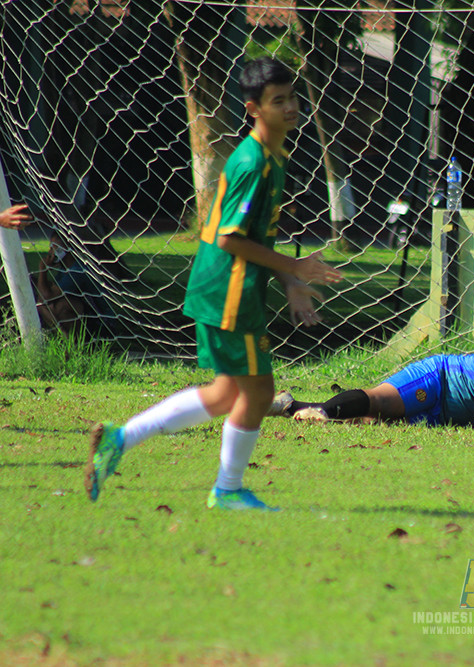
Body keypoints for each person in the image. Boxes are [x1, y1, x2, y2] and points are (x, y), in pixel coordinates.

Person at [85, 57, 341, 511]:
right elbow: (228, 238)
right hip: (228, 292)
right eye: (277, 101)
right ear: (253, 109)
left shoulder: (272, 157)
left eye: (292, 97)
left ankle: (123, 440)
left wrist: (290, 282)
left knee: (228, 393)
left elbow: (255, 238)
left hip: (229, 289)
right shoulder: (253, 163)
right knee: (258, 392)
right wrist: (295, 267)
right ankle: (226, 489)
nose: (290, 107)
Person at [270, 321, 474, 430]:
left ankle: (290, 406)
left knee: (372, 420)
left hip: (442, 413)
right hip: (437, 380)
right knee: (379, 402)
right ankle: (322, 411)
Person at [35, 233, 113, 335]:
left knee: (61, 305)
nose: (50, 252)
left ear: (65, 249)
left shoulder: (77, 270)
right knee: (45, 305)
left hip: (102, 322)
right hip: (87, 317)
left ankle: (70, 338)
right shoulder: (65, 268)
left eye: (54, 248)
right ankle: (64, 336)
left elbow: (47, 297)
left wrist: (42, 270)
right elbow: (45, 297)